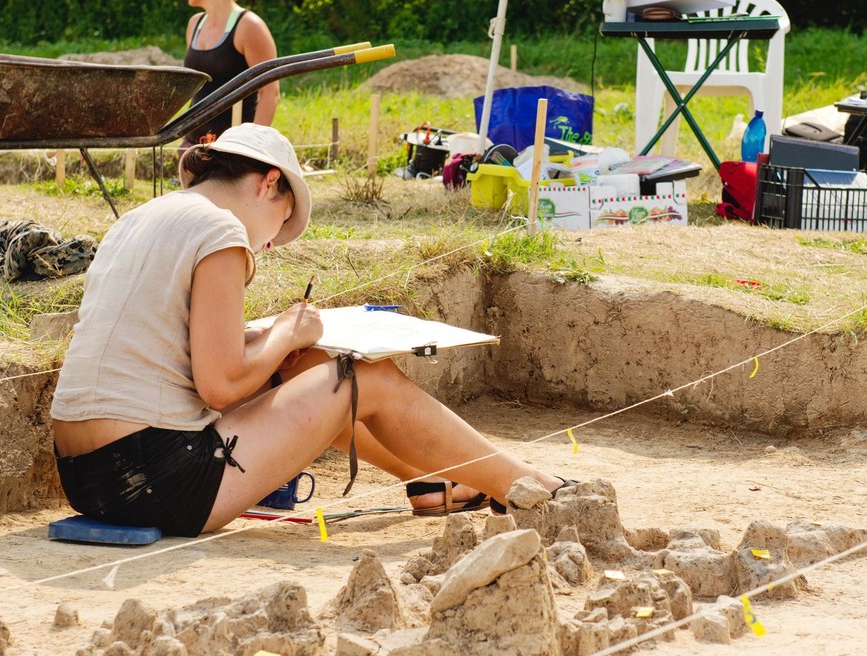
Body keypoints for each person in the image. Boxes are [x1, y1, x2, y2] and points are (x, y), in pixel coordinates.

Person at [51, 123, 569, 537]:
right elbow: (220, 385)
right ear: (269, 182)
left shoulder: (142, 218)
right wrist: (287, 333)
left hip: (86, 476)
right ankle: (537, 489)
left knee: (307, 369)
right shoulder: (221, 230)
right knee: (367, 379)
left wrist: (282, 346)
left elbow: (171, 352)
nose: (272, 243)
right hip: (155, 480)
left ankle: (428, 481)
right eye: (281, 222)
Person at [181, 0, 281, 150]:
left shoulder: (250, 26)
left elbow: (270, 92)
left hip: (232, 151)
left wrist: (251, 147)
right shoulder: (195, 24)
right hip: (192, 146)